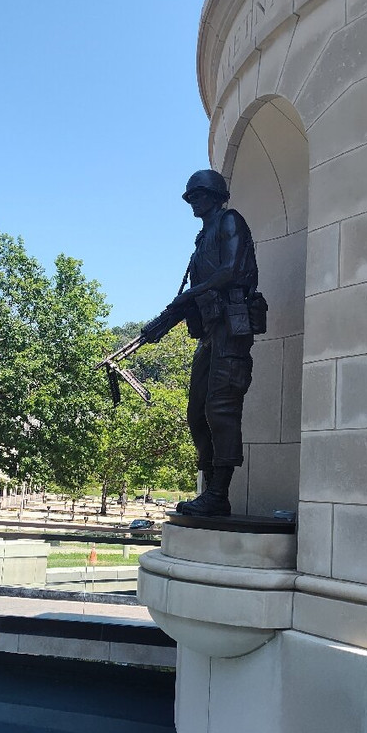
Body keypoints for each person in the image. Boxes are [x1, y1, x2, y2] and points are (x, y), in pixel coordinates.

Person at [143, 169, 259, 517]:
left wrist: (189, 296)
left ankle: (219, 493)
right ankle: (210, 490)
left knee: (220, 409)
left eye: (199, 195)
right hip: (209, 333)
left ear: (215, 196)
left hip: (231, 330)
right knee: (197, 413)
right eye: (190, 197)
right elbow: (195, 298)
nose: (194, 201)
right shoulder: (201, 238)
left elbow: (233, 270)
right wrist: (160, 325)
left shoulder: (229, 221)